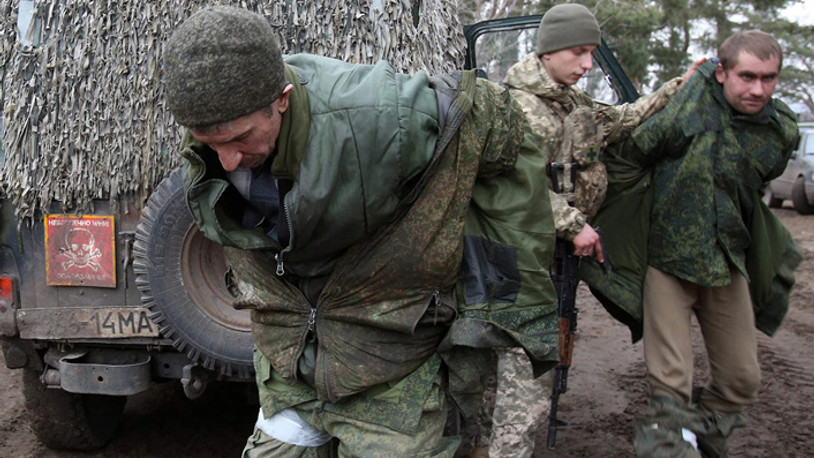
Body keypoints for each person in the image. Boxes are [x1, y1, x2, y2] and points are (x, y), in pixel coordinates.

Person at [162, 5, 561, 457]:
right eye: (211, 145)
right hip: (293, 368)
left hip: (390, 368)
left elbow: (501, 125)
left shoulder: (380, 116)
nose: (228, 160)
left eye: (240, 140)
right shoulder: (214, 130)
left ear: (282, 98)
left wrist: (498, 290)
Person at [470, 4, 702, 457]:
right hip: (516, 262)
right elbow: (516, 187)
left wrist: (682, 86)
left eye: (592, 53)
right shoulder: (519, 108)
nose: (587, 65)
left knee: (522, 366)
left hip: (547, 259)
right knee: (523, 375)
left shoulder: (572, 103)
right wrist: (574, 223)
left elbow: (626, 119)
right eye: (579, 53)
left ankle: (486, 446)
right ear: (549, 52)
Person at [581, 30, 800, 457]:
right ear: (722, 73)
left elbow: (763, 178)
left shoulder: (776, 130)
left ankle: (699, 436)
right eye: (748, 76)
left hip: (725, 261)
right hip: (668, 262)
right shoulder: (686, 108)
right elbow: (633, 152)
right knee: (671, 385)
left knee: (742, 379)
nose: (758, 89)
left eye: (769, 78)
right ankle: (666, 444)